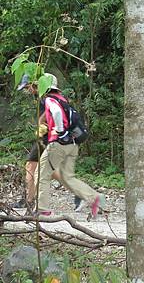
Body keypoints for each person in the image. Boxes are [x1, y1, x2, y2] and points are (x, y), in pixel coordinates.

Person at [17, 73, 104, 217]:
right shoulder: (61, 97)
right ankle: (95, 198)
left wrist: (59, 130)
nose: (29, 90)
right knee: (67, 177)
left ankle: (42, 209)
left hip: (58, 142)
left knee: (41, 174)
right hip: (73, 143)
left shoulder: (49, 98)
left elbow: (56, 112)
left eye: (29, 87)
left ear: (38, 84)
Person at [12, 76, 83, 212]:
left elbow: (52, 110)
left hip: (48, 135)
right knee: (45, 169)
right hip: (48, 134)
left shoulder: (46, 94)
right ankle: (30, 200)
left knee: (32, 166)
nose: (27, 91)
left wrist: (41, 122)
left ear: (35, 84)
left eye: (28, 87)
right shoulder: (42, 94)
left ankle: (29, 201)